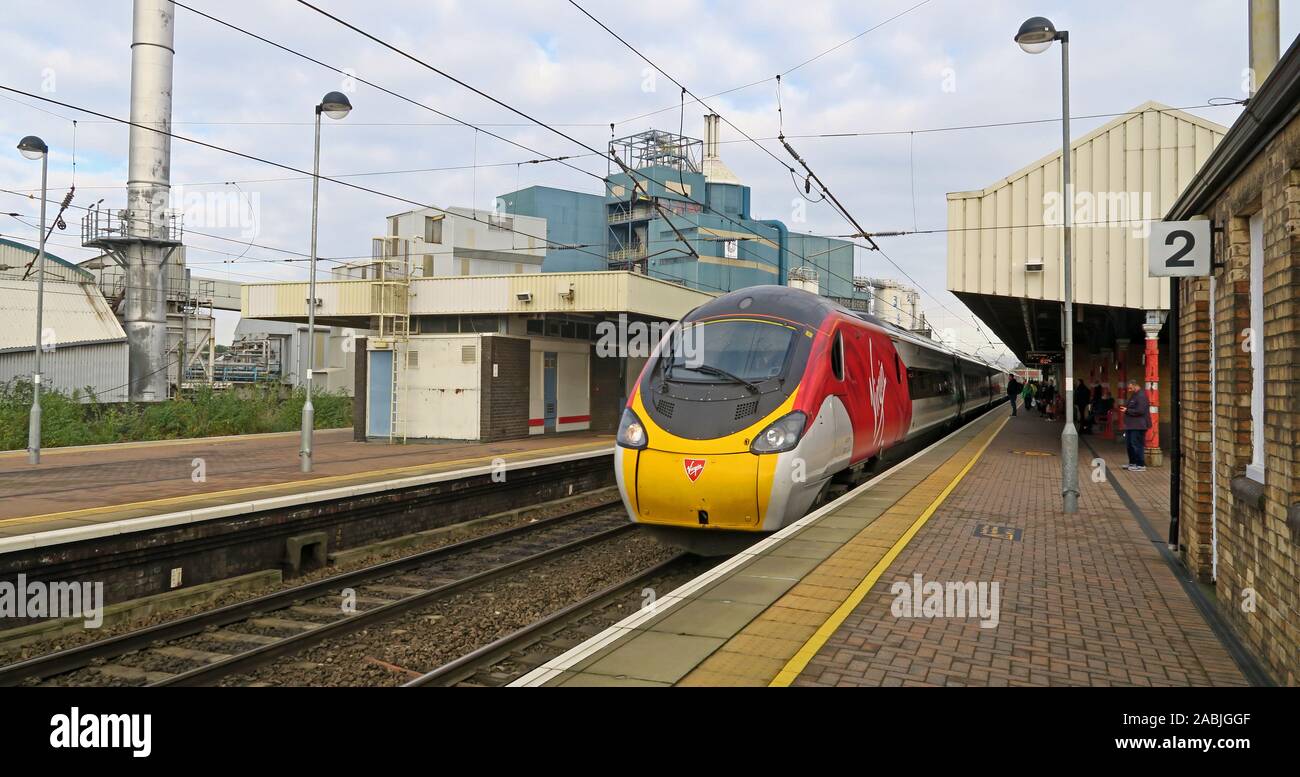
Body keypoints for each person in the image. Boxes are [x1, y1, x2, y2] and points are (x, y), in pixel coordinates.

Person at [1120, 379, 1151, 471]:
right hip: (1131, 425)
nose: (1129, 390)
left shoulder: (1141, 396)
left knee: (1137, 444)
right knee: (1130, 444)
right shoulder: (1134, 395)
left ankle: (1140, 464)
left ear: (1134, 385)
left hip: (1138, 425)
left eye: (1130, 388)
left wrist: (1127, 411)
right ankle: (1133, 463)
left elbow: (1140, 411)